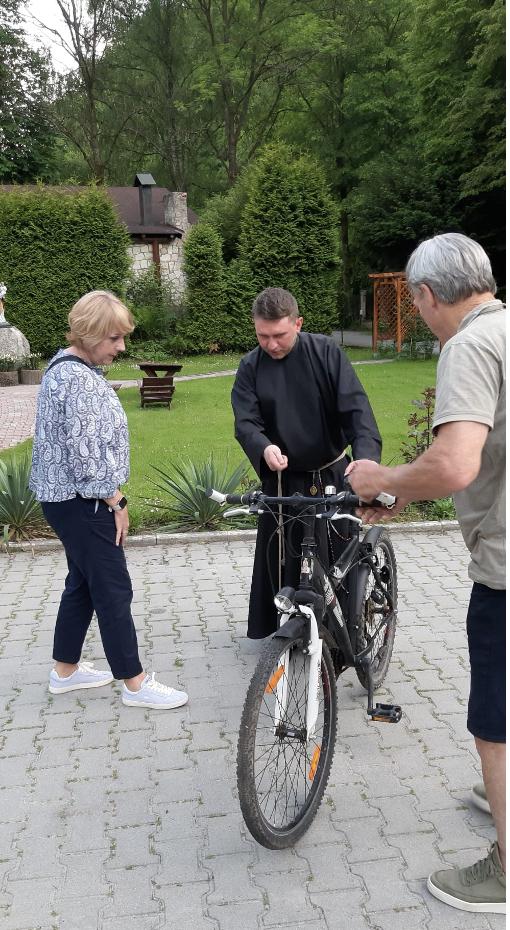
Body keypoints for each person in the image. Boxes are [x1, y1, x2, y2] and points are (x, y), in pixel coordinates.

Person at [346, 233, 505, 914]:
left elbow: (454, 464)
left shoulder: (467, 345)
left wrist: (382, 476)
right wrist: (405, 493)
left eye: (414, 299)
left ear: (427, 295)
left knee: (493, 720)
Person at [29, 290, 188, 710]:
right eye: (114, 338)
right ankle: (135, 684)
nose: (121, 347)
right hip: (84, 502)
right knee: (113, 589)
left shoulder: (63, 366)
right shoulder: (78, 380)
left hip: (65, 499)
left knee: (81, 583)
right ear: (90, 333)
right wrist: (117, 502)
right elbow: (86, 461)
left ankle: (65, 672)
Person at [231, 286, 382, 639]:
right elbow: (246, 421)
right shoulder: (251, 366)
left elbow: (357, 412)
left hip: (330, 472)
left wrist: (366, 464)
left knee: (336, 556)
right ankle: (289, 625)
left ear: (298, 323)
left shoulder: (326, 353)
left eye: (279, 335)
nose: (270, 344)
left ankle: (344, 629)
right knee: (282, 556)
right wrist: (263, 446)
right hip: (282, 480)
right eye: (262, 336)